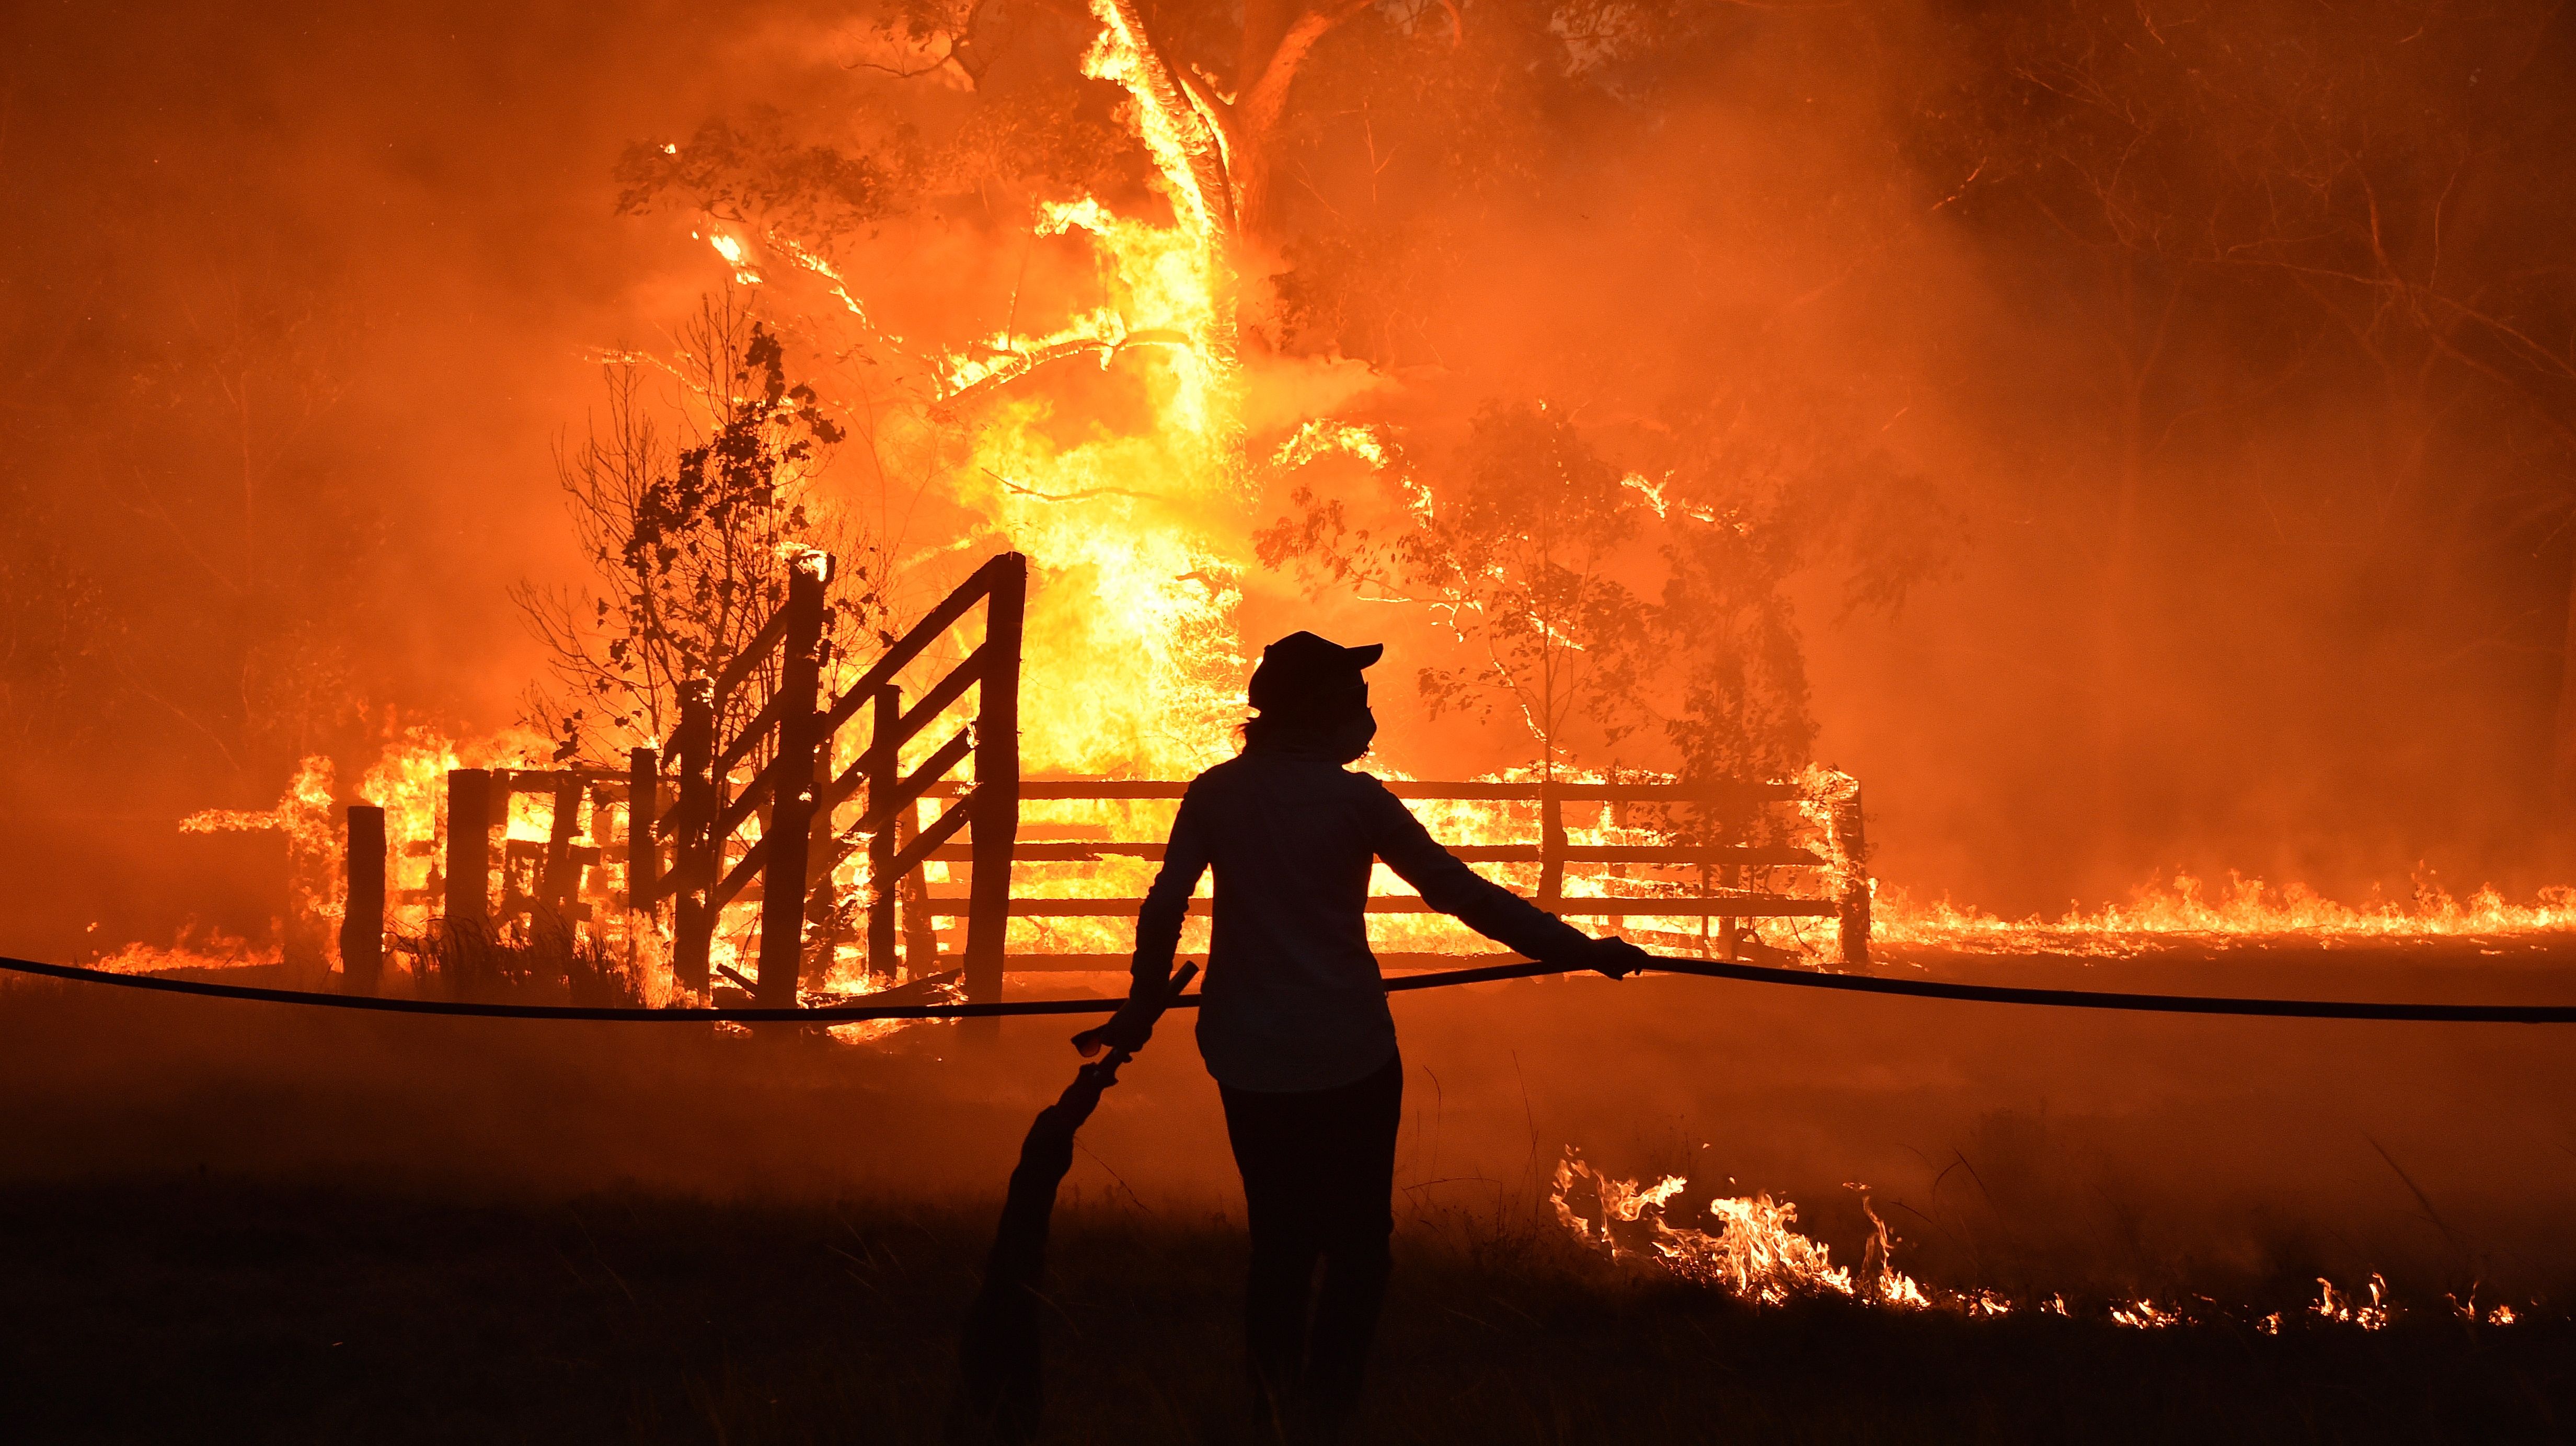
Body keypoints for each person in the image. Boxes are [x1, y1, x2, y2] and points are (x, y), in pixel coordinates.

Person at [1082, 630, 1650, 1440]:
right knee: (1359, 1245)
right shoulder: (1359, 804)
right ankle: (1330, 1406)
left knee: (1279, 1241)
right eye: (1358, 703)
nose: (1372, 723)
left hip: (1249, 1053)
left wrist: (1142, 1003)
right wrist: (1581, 950)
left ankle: (1271, 1408)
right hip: (1349, 1052)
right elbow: (1464, 896)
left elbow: (1166, 901)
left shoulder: (1216, 795)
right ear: (1317, 713)